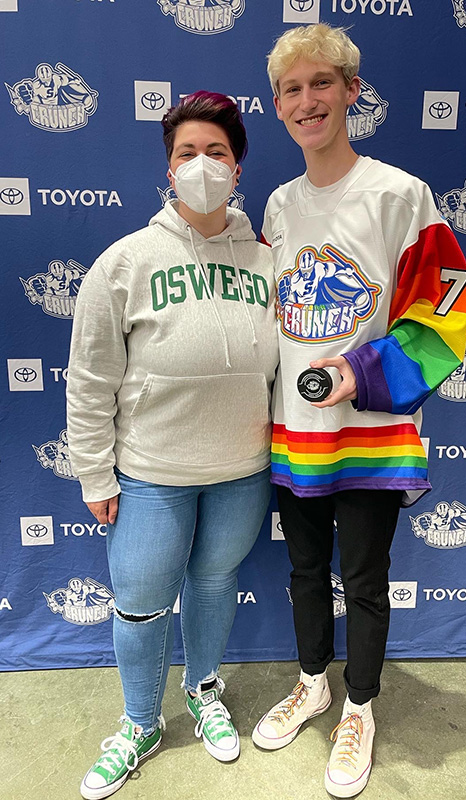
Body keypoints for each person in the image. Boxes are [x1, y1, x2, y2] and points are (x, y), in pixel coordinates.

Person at [251, 24, 466, 798]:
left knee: (365, 578)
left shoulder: (400, 194)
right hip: (297, 432)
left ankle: (360, 706)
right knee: (304, 570)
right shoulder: (276, 206)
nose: (306, 100)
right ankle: (313, 681)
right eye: (291, 89)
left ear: (351, 90)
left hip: (371, 432)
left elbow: (443, 311)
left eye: (320, 83)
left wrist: (363, 369)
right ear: (277, 106)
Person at [66, 90, 278, 800]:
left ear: (237, 168)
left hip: (241, 471)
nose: (202, 165)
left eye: (216, 152)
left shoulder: (266, 262)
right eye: (187, 153)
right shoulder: (124, 262)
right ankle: (138, 723)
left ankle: (203, 691)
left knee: (215, 583)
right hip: (152, 474)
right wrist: (95, 474)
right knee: (140, 603)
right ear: (168, 168)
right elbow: (90, 379)